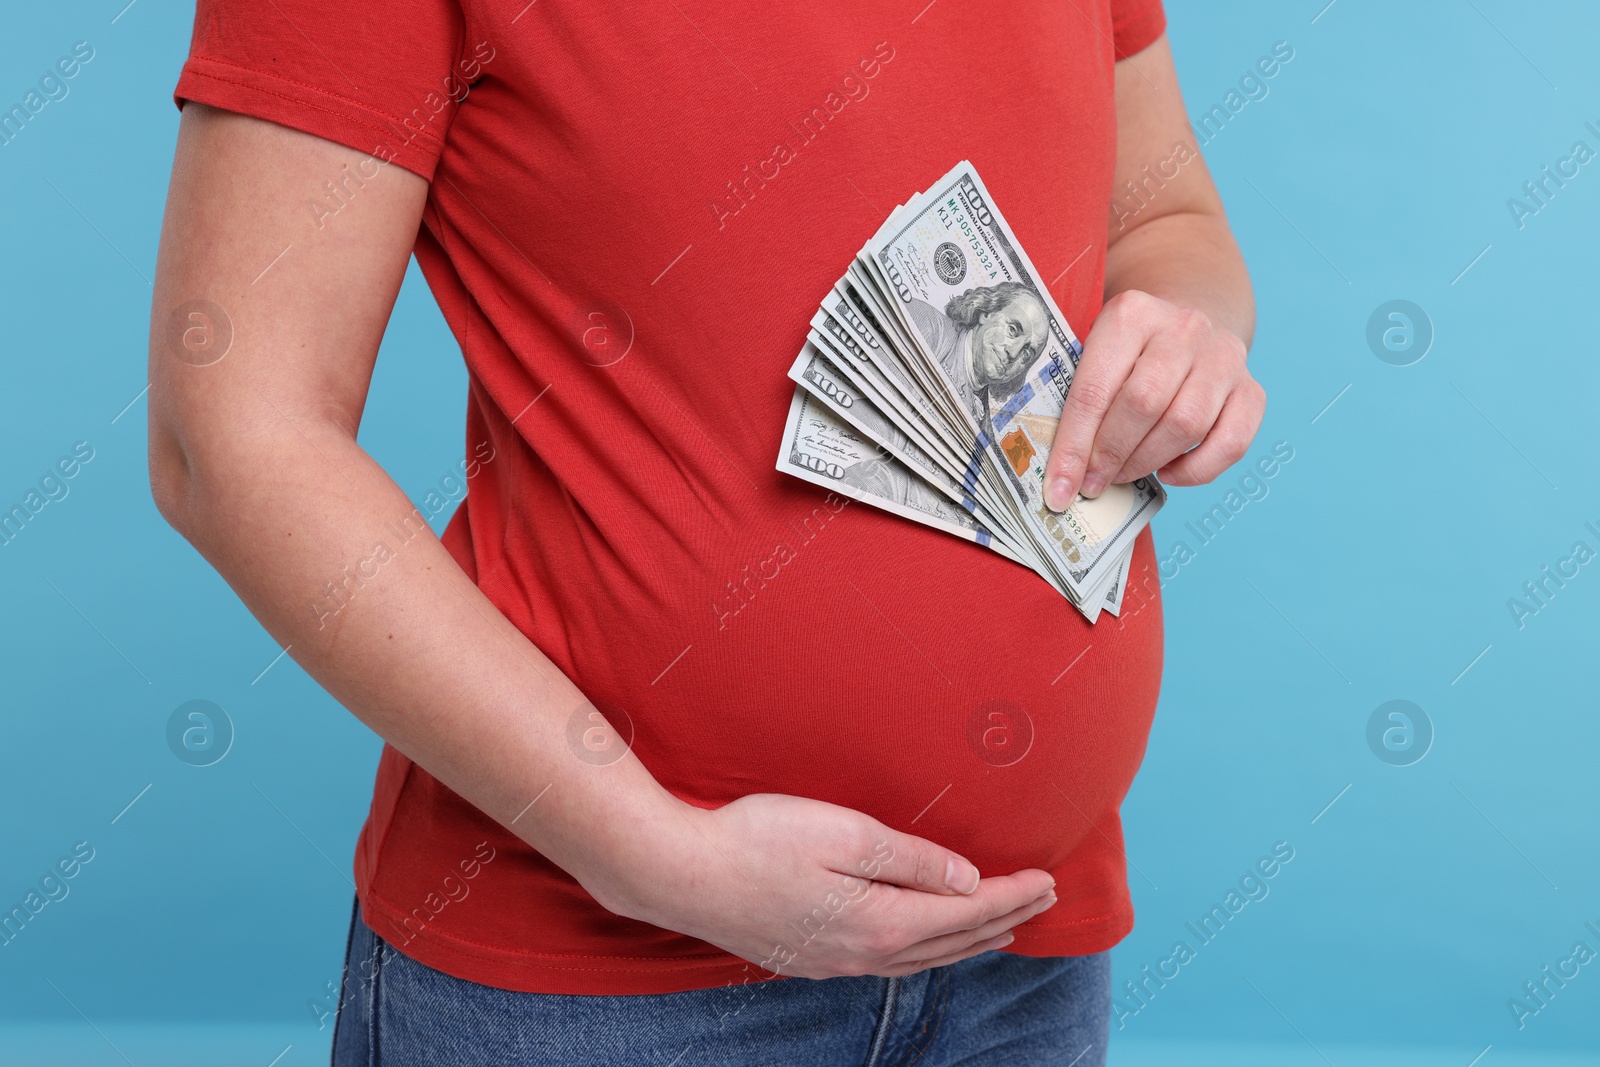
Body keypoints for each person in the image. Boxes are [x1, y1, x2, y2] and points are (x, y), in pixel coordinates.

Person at [147, 0, 1264, 1063]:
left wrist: (1190, 332)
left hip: (1023, 962)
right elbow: (234, 432)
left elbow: (1165, 222)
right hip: (595, 989)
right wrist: (645, 852)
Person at [908, 282, 1050, 427]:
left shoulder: (983, 431)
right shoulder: (924, 324)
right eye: (1012, 330)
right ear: (986, 314)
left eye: (1026, 354)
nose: (1013, 353)